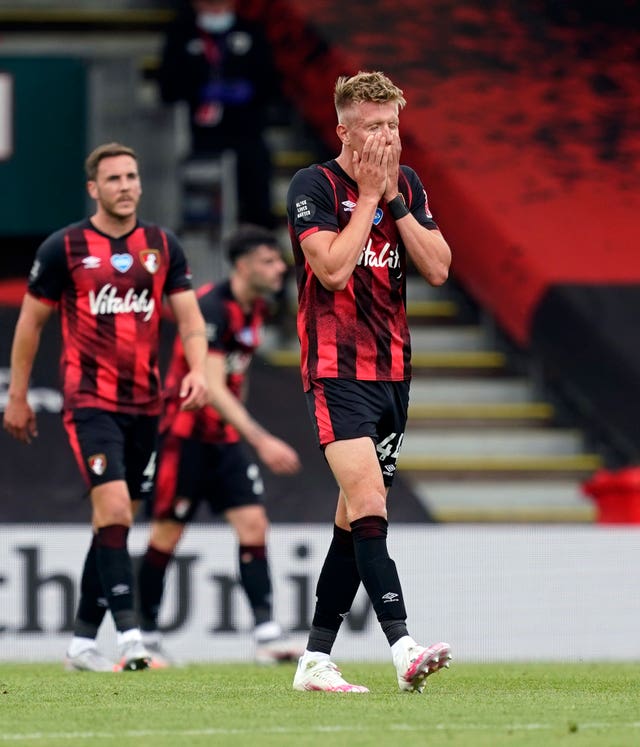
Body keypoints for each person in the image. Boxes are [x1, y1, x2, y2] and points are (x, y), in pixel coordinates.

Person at [3, 142, 209, 672]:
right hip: (90, 403)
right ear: (93, 188)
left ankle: (80, 644)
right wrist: (19, 395)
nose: (126, 185)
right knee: (115, 510)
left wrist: (200, 372)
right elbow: (31, 323)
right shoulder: (63, 247)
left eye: (132, 176)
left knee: (113, 521)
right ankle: (133, 641)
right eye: (113, 178)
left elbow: (188, 320)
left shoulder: (162, 245)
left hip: (147, 406)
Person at [286, 71, 453, 693]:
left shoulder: (406, 184)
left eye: (392, 126)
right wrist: (367, 196)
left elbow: (437, 266)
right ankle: (403, 647)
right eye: (373, 126)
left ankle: (314, 659)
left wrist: (395, 200)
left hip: (393, 374)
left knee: (352, 519)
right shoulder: (315, 184)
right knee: (372, 506)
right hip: (335, 370)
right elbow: (330, 270)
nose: (385, 137)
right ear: (344, 129)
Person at [137, 224, 303, 666]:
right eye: (268, 261)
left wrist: (239, 428)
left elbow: (236, 376)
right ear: (243, 266)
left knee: (254, 525)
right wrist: (262, 439)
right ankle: (145, 637)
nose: (278, 268)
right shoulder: (213, 307)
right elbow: (210, 384)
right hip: (185, 436)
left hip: (222, 439)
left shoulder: (255, 309)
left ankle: (268, 635)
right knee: (167, 535)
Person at [157, 0, 280, 228]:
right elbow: (167, 87)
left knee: (257, 203)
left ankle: (261, 250)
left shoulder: (251, 32)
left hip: (247, 134)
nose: (215, 7)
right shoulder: (181, 34)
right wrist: (199, 91)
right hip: (200, 138)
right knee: (203, 211)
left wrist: (248, 91)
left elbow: (272, 83)